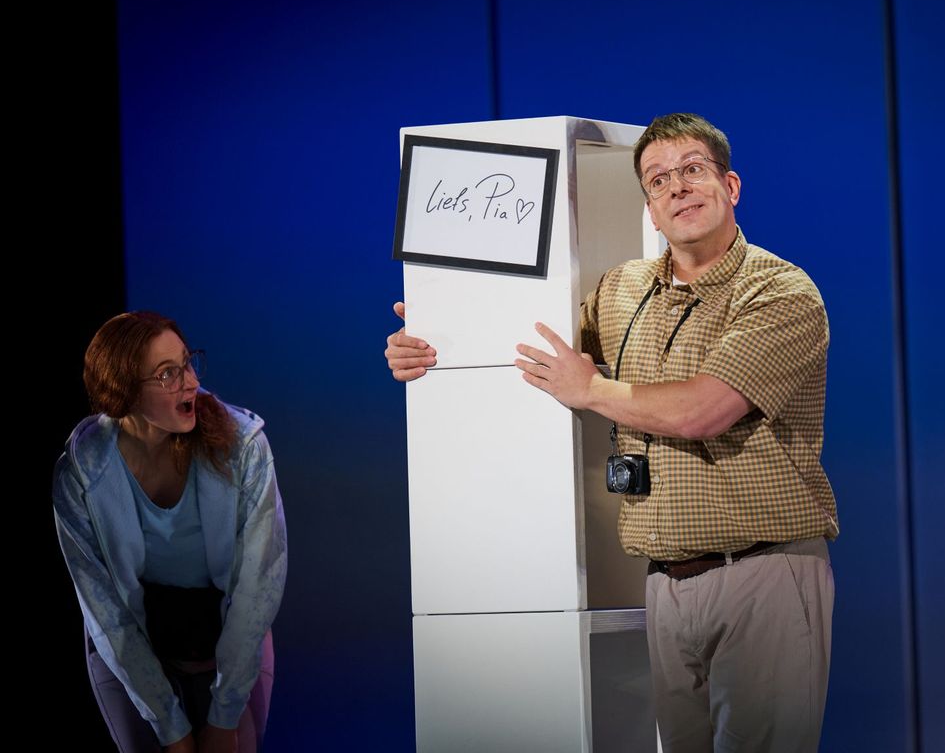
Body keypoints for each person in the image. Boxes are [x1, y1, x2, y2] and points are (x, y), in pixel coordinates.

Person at [386, 113, 837, 752]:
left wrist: (593, 390)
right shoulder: (622, 289)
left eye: (693, 170)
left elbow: (706, 409)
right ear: (649, 208)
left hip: (763, 572)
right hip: (666, 585)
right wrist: (435, 339)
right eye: (659, 180)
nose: (678, 188)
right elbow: (529, 346)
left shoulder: (781, 292)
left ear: (730, 186)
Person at [53, 311, 287, 753]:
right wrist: (170, 727)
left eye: (187, 362)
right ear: (123, 390)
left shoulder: (243, 446)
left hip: (229, 644)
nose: (192, 382)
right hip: (134, 651)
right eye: (167, 374)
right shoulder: (82, 473)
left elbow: (259, 586)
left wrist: (223, 717)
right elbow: (106, 614)